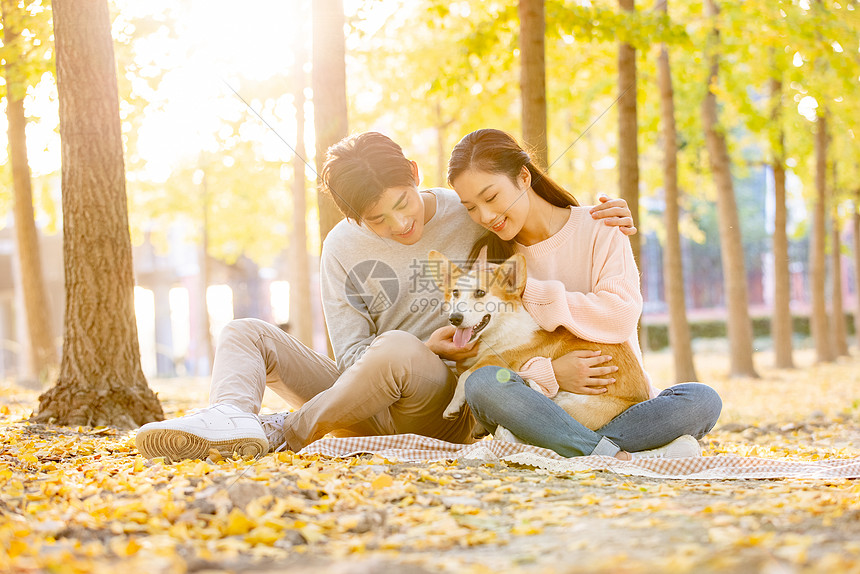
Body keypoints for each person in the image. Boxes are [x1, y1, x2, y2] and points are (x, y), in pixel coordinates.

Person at [135, 132, 637, 462]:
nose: (400, 224)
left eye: (402, 203)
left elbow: (522, 212)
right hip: (364, 387)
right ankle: (229, 420)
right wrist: (411, 352)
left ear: (415, 174)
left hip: (442, 397)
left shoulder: (468, 213)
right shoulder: (341, 247)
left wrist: (605, 215)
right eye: (377, 219)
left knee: (398, 345)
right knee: (244, 332)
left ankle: (284, 429)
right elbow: (352, 356)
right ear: (354, 219)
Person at [446, 128, 722, 460]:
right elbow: (492, 354)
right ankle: (621, 453)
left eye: (491, 198)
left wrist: (523, 289)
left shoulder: (602, 227)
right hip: (536, 399)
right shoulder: (488, 260)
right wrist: (551, 373)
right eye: (471, 208)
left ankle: (547, 444)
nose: (486, 216)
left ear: (523, 177)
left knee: (703, 400)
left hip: (617, 402)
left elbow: (618, 317)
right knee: (484, 383)